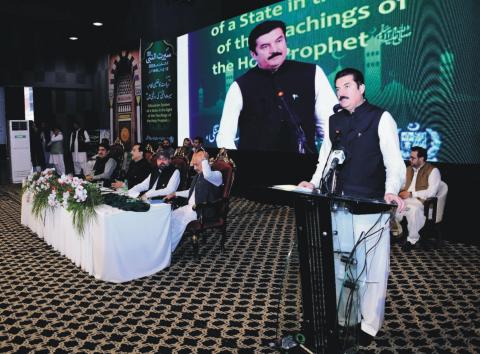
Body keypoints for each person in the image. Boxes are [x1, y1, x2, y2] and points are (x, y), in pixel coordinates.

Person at [298, 68, 405, 344]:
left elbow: (394, 162)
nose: (341, 91)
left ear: (362, 88)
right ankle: (347, 318)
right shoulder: (334, 120)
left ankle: (369, 326)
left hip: (370, 208)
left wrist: (391, 191)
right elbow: (325, 159)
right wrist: (313, 183)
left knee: (372, 272)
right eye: (337, 87)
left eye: (347, 85)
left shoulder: (381, 118)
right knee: (343, 267)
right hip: (338, 207)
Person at [216, 20, 338, 153]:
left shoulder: (312, 73)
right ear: (253, 54)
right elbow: (225, 139)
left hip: (306, 169)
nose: (274, 50)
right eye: (265, 46)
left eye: (279, 41)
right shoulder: (239, 87)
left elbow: (329, 129)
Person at [164, 151, 223, 251]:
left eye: (197, 164)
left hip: (203, 210)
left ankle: (167, 251)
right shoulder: (198, 175)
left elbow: (207, 175)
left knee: (179, 223)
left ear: (205, 162)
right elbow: (191, 192)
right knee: (169, 218)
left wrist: (204, 159)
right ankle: (161, 246)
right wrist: (175, 193)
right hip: (190, 208)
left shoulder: (216, 175)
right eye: (193, 164)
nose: (194, 168)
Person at [396, 146, 441, 252]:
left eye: (413, 158)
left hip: (421, 201)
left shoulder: (433, 171)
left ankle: (412, 240)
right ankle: (395, 233)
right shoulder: (408, 169)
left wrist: (411, 194)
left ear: (421, 159)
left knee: (413, 210)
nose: (410, 160)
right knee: (391, 207)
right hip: (405, 200)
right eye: (410, 157)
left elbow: (432, 192)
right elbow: (401, 185)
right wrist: (397, 192)